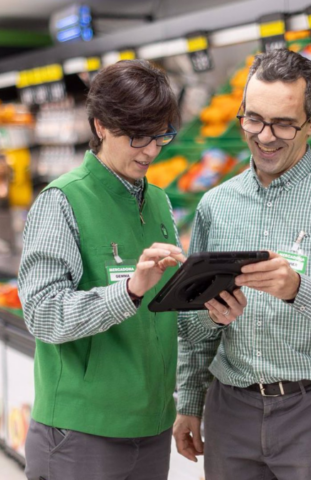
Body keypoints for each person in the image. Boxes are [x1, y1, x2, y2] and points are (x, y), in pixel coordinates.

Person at [174, 49, 311, 480]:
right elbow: (190, 324)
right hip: (230, 409)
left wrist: (299, 289)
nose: (264, 136)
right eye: (253, 119)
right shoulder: (215, 206)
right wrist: (190, 399)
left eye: (283, 123)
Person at [19, 60, 235, 480]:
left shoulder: (158, 202)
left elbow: (169, 315)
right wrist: (130, 291)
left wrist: (209, 310)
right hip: (81, 433)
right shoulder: (61, 202)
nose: (151, 150)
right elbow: (42, 315)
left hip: (150, 427)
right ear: (101, 126)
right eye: (138, 136)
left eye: (161, 136)